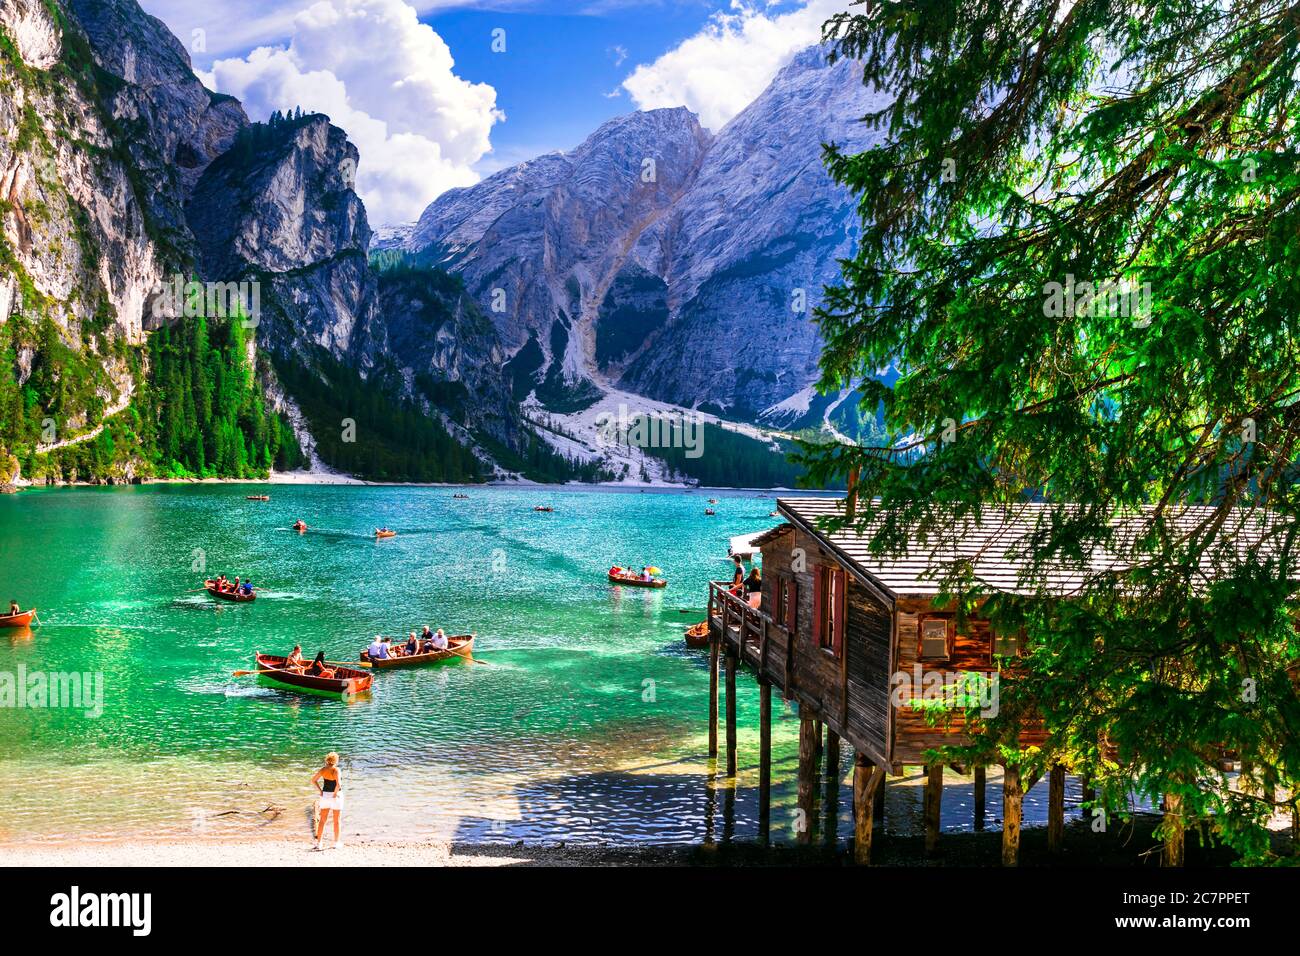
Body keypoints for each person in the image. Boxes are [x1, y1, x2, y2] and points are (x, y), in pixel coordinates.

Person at [311, 752, 344, 850]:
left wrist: (320, 791)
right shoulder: (336, 770)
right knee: (336, 821)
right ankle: (336, 843)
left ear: (327, 760)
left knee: (322, 820)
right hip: (336, 796)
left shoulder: (323, 770)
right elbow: (339, 785)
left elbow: (313, 780)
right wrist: (334, 794)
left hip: (325, 796)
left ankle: (319, 843)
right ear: (336, 760)